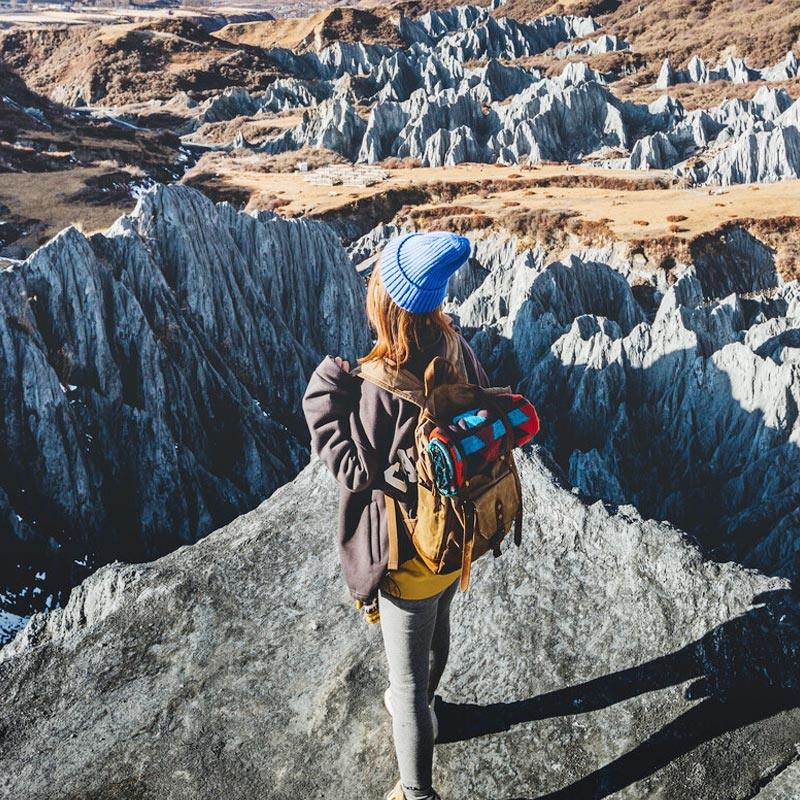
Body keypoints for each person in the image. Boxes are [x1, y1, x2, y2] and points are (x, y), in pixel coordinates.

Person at [303, 232, 490, 800]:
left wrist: (325, 387)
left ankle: (416, 791)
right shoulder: (457, 351)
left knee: (403, 685)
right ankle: (432, 708)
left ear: (385, 302)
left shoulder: (376, 388)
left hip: (407, 554)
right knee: (438, 632)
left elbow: (356, 471)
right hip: (452, 539)